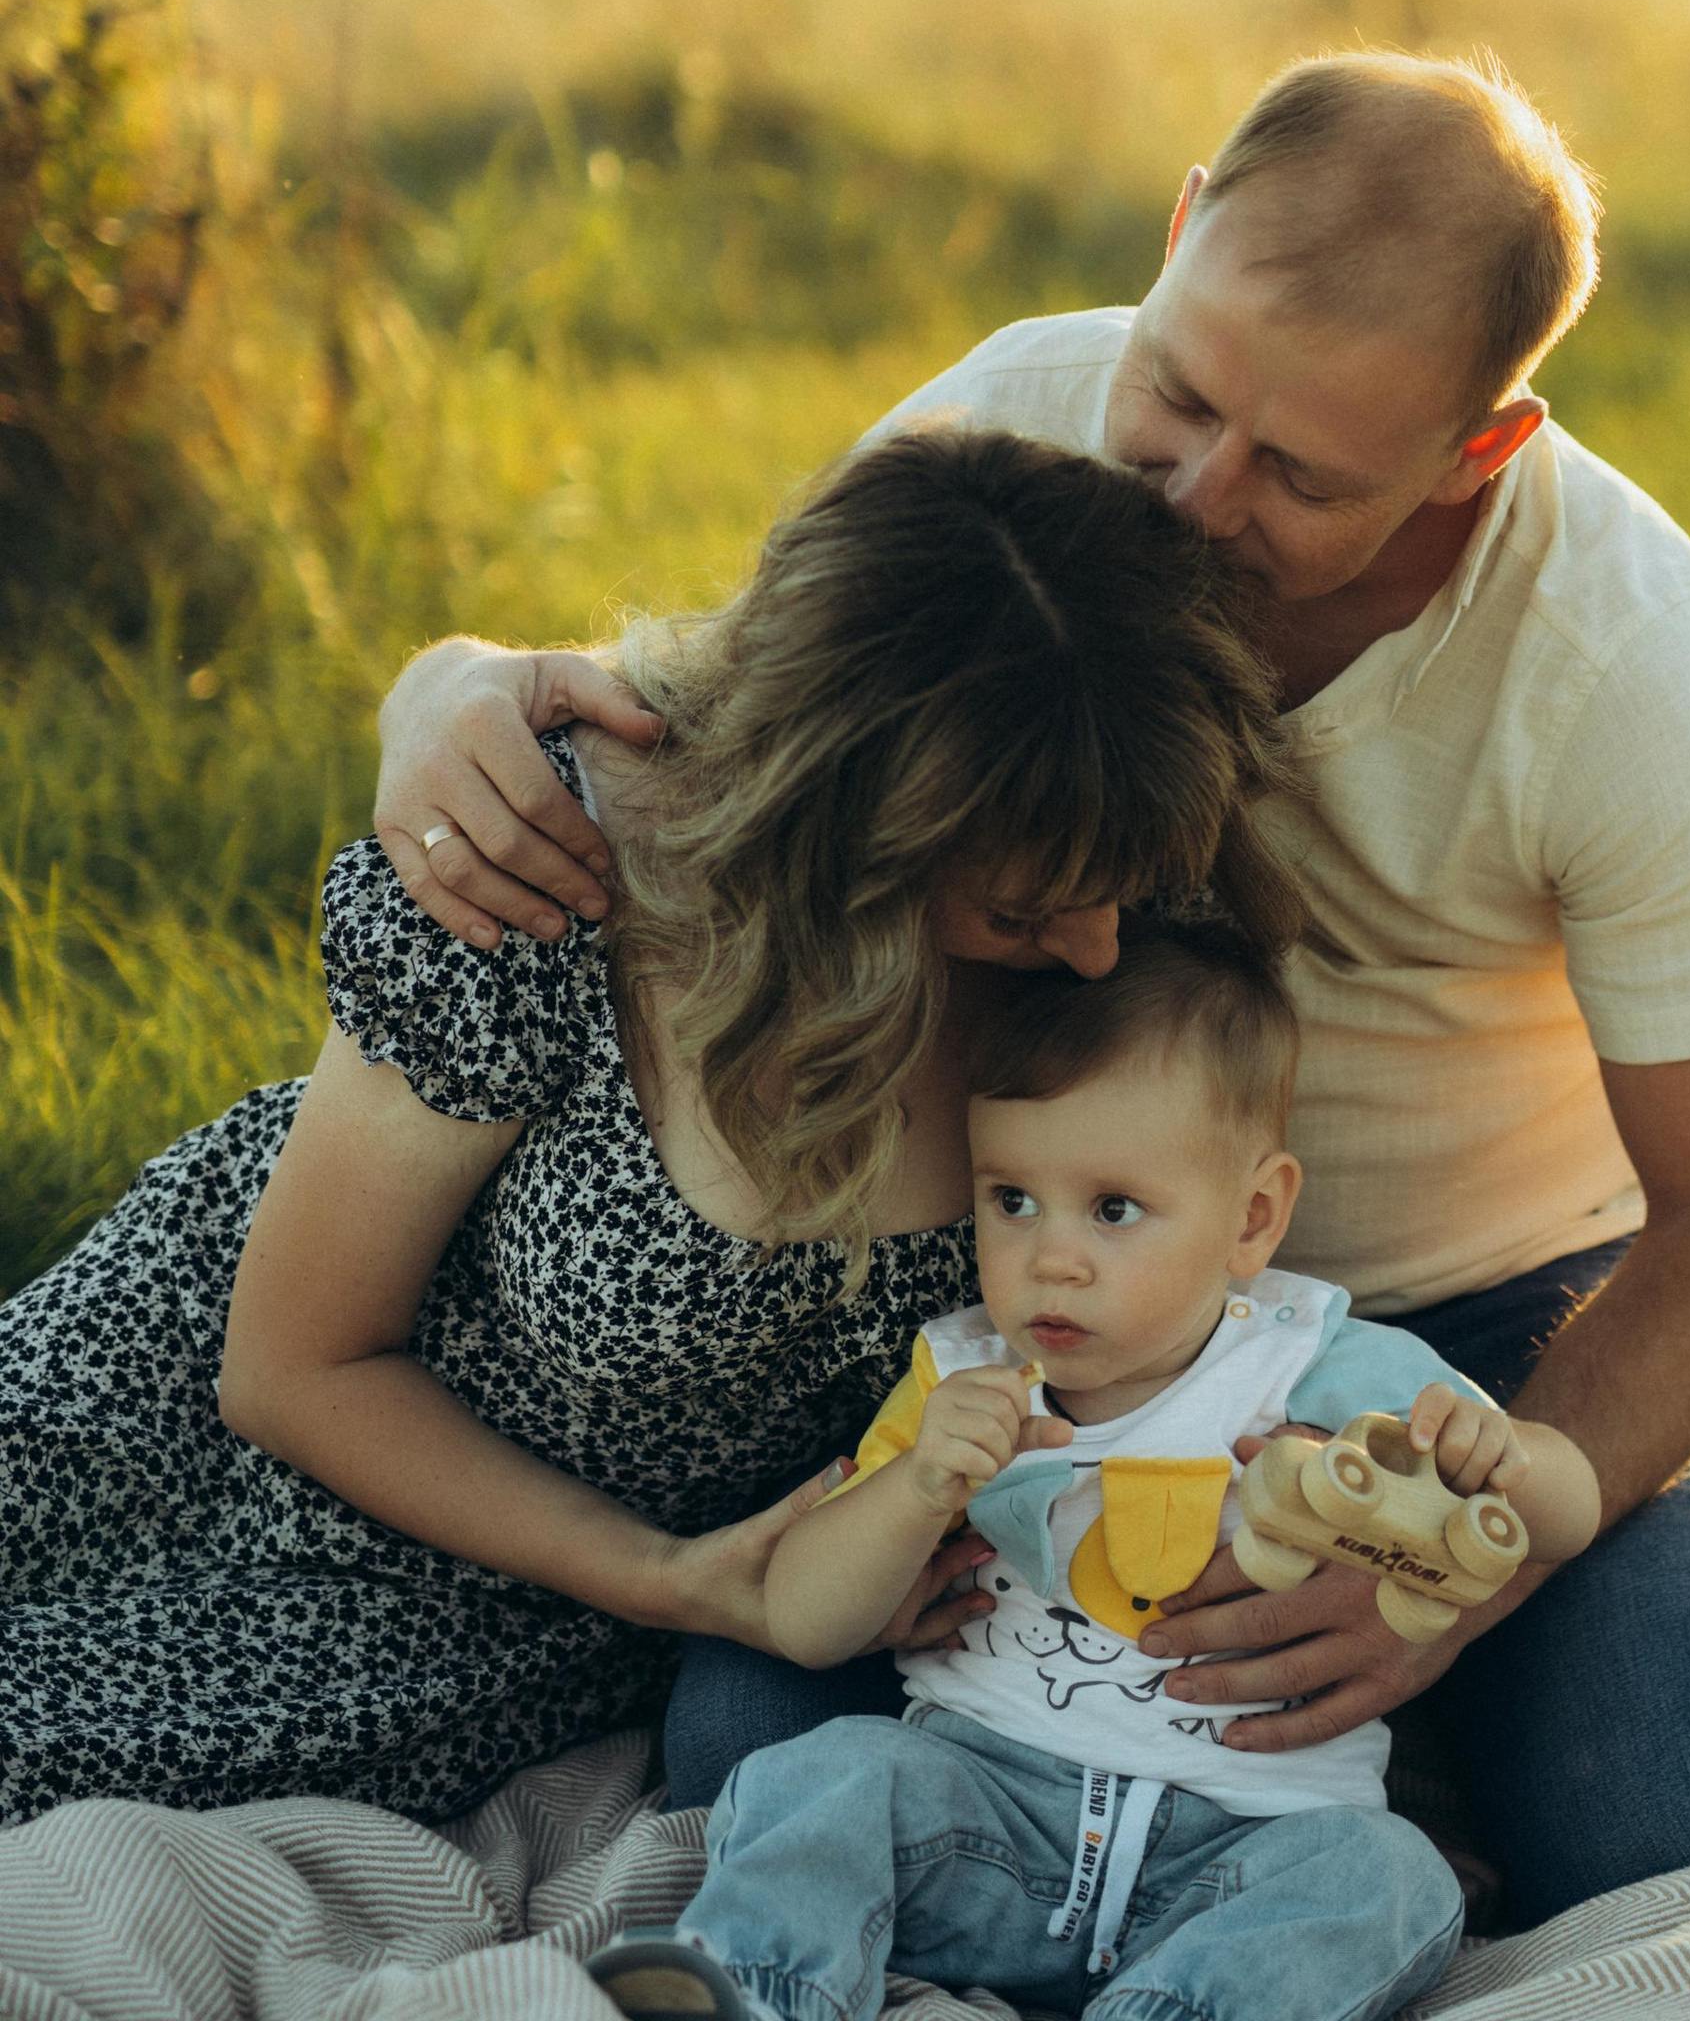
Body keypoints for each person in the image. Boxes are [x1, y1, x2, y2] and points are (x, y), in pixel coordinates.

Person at [375, 52, 1690, 1917]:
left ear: (1476, 450)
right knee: (743, 1766)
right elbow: (771, 731)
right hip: (1038, 1275)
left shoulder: (1624, 673)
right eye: (1181, 391)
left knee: (1653, 1839)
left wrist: (1482, 1555)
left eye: (1302, 475)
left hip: (1474, 1336)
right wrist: (457, 678)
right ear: (1181, 229)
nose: (1193, 500)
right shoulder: (1010, 423)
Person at [0, 428, 1298, 1826]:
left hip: (575, 1627)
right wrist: (674, 1581)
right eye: (1028, 910)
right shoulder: (558, 871)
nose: (1104, 952)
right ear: (845, 835)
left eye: (1118, 892)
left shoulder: (1100, 861)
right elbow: (295, 1367)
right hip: (263, 1461)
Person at [586, 923, 1599, 2021]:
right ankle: (756, 1984)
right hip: (983, 1817)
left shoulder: (1313, 1359)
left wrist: (1504, 1461)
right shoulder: (965, 1376)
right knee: (818, 1772)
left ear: (1251, 1216)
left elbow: (1567, 1512)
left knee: (1389, 1879)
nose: (1049, 1256)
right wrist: (917, 1485)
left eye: (1114, 1209)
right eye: (1010, 1198)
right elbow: (808, 1619)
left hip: (1240, 1848)